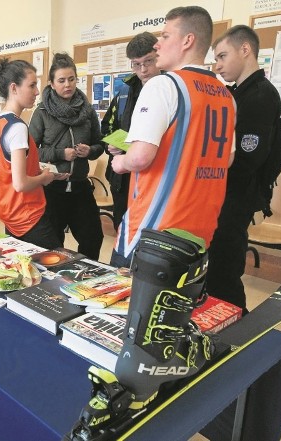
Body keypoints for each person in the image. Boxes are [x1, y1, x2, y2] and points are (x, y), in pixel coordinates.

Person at [109, 6, 236, 268]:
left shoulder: (164, 85)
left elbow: (141, 156)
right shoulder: (226, 96)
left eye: (165, 36)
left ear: (187, 41)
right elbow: (227, 160)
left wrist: (121, 163)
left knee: (127, 305)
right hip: (200, 230)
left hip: (155, 229)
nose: (157, 44)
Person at [205, 25, 281, 311]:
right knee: (214, 272)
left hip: (235, 197)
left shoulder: (260, 95)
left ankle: (235, 334)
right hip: (224, 195)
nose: (218, 65)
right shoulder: (238, 93)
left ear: (245, 50)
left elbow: (248, 158)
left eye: (223, 56)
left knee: (224, 275)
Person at [28, 52, 104, 259]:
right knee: (53, 243)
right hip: (52, 188)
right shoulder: (42, 111)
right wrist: (60, 153)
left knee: (93, 238)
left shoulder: (87, 111)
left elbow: (100, 143)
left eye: (71, 79)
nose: (67, 85)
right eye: (61, 80)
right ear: (52, 83)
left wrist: (90, 151)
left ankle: (87, 277)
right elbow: (30, 151)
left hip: (80, 186)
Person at [0, 58, 67, 250]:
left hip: (9, 214)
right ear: (14, 88)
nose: (37, 92)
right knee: (59, 267)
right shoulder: (17, 127)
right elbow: (20, 183)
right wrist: (44, 178)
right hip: (28, 216)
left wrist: (37, 170)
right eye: (32, 85)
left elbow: (7, 169)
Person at [101, 32, 160, 231]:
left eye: (149, 61)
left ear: (159, 56)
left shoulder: (170, 89)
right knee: (123, 229)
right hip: (122, 177)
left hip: (154, 177)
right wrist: (110, 145)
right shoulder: (125, 91)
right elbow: (107, 125)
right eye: (136, 64)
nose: (143, 70)